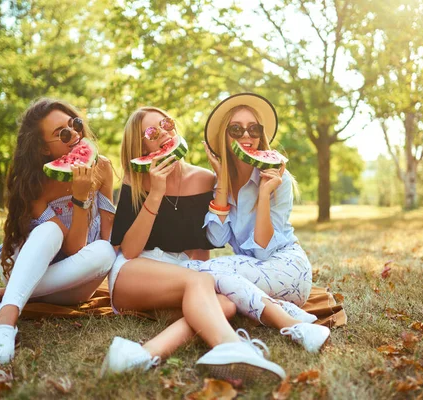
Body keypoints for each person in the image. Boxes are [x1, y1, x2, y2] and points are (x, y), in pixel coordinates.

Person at [101, 107, 286, 385]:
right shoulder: (135, 179)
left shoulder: (203, 180)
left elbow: (201, 252)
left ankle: (140, 355)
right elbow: (128, 251)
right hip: (133, 273)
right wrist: (156, 193)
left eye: (166, 123)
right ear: (141, 146)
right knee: (200, 283)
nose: (164, 132)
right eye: (152, 132)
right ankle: (232, 347)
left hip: (183, 275)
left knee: (224, 305)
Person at [0, 98, 116, 365]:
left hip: (77, 277)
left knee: (106, 251)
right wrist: (80, 200)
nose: (75, 136)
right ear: (42, 150)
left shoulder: (103, 167)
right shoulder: (35, 182)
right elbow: (69, 246)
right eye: (62, 133)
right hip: (24, 262)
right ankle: (4, 322)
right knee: (50, 230)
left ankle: (2, 295)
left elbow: (103, 236)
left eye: (75, 125)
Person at [200, 92, 330, 353]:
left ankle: (290, 321)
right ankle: (293, 319)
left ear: (261, 135)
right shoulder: (219, 183)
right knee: (208, 278)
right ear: (224, 137)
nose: (246, 136)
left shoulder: (277, 179)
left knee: (198, 271)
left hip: (286, 266)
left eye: (253, 129)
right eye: (236, 129)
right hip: (252, 276)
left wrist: (263, 193)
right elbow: (216, 238)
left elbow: (262, 249)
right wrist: (222, 183)